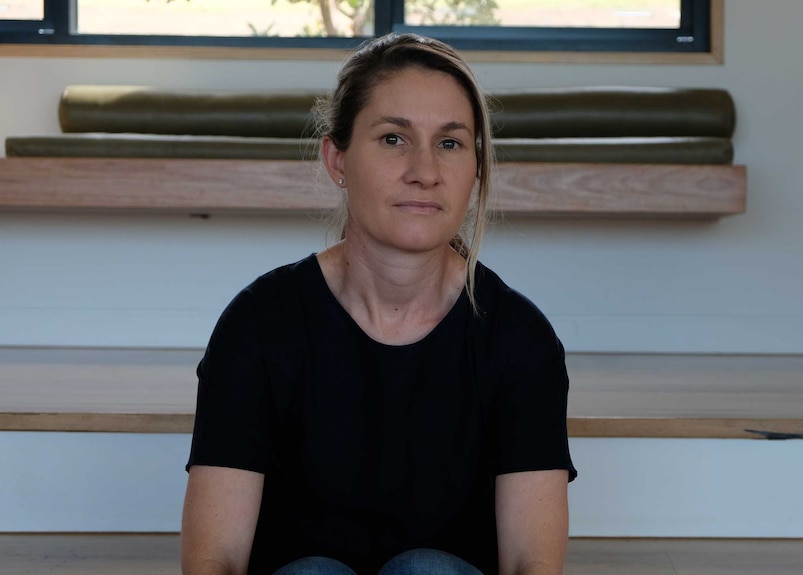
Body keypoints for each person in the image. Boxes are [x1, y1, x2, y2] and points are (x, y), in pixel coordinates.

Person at [181, 32, 576, 575]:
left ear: (476, 169)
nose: (425, 169)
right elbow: (213, 560)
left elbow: (533, 563)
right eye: (394, 139)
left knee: (426, 570)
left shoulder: (519, 338)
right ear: (337, 159)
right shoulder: (258, 325)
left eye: (451, 142)